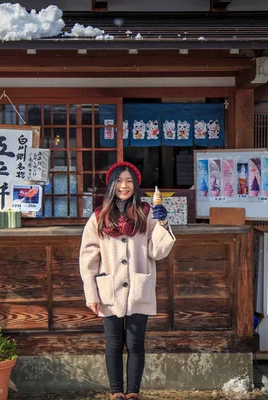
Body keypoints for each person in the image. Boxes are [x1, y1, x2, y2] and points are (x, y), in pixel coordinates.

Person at [79, 161, 176, 400]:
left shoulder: (146, 212)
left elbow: (158, 251)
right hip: (108, 288)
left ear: (136, 185)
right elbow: (87, 258)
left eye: (129, 181)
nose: (124, 186)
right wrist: (91, 294)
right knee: (113, 344)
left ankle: (133, 392)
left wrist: (163, 223)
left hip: (138, 288)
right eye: (120, 181)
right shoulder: (99, 217)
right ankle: (115, 393)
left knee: (135, 344)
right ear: (112, 185)